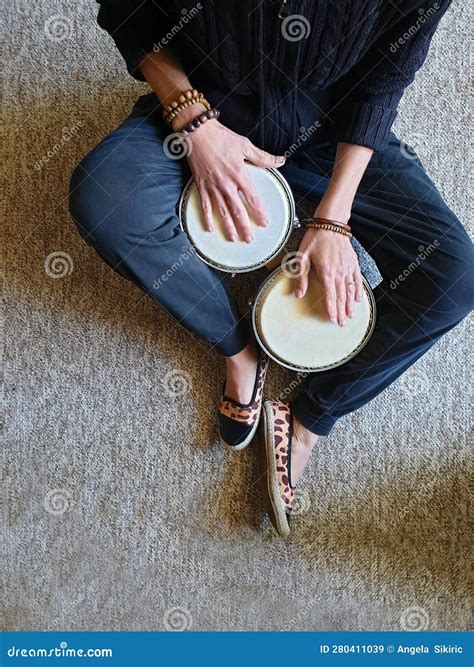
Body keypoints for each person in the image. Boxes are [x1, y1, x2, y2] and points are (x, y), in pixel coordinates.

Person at [69, 1, 473, 536]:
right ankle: (241, 350)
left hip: (333, 127)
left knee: (453, 276)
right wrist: (193, 122)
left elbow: (384, 80)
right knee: (104, 200)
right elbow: (129, 11)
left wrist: (333, 218)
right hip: (210, 105)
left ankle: (305, 419)